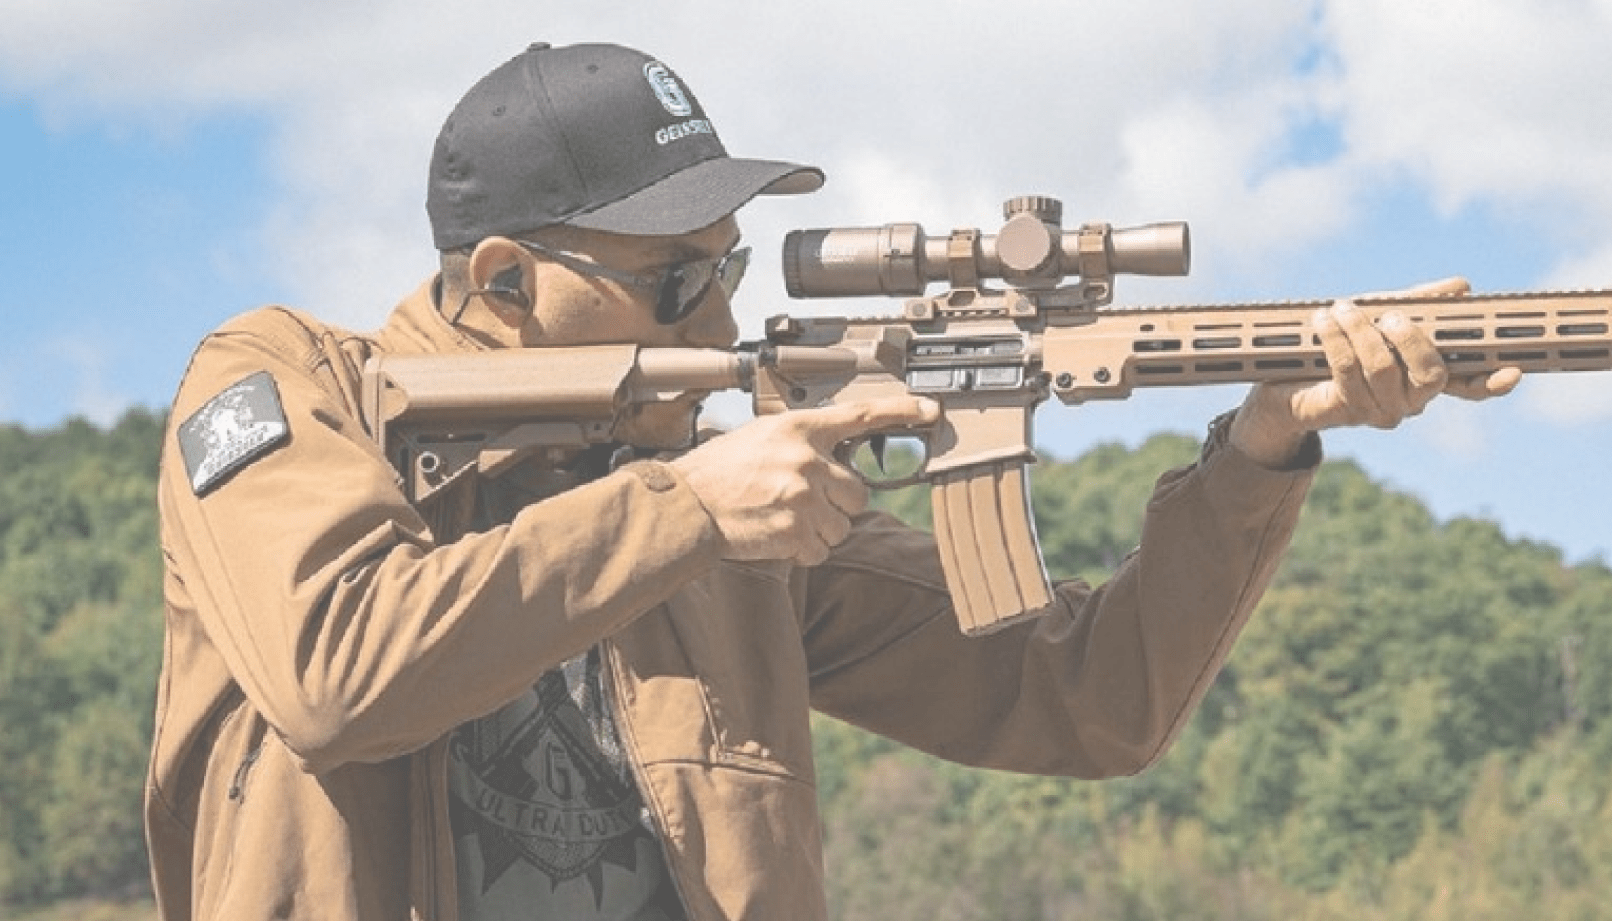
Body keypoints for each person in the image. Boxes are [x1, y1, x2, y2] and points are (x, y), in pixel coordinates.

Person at [144, 41, 1519, 921]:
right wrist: (683, 509)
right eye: (675, 277)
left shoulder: (727, 504)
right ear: (503, 281)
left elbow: (1088, 701)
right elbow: (332, 675)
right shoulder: (284, 383)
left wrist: (1268, 443)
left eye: (729, 269)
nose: (713, 319)